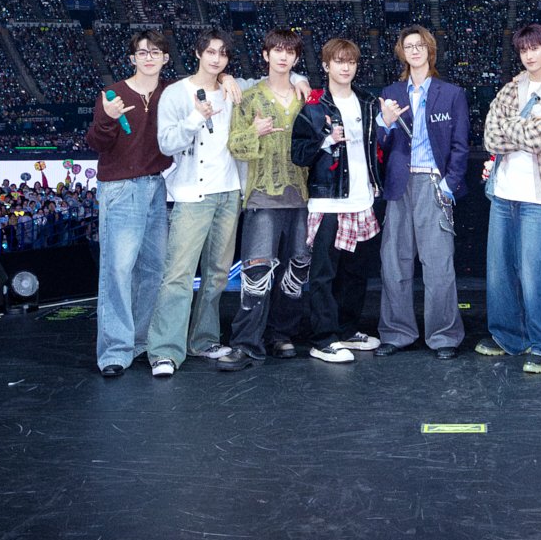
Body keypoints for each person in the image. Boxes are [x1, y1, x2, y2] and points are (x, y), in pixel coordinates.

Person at [477, 23, 541, 374]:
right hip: (504, 193)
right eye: (523, 50)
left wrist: (512, 130)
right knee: (500, 271)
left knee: (538, 274)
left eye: (535, 48)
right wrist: (525, 131)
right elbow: (490, 135)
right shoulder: (511, 89)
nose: (529, 55)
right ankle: (510, 337)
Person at [210, 31, 313, 370]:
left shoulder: (306, 98)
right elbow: (235, 145)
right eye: (277, 50)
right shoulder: (250, 97)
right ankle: (245, 343)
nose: (283, 57)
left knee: (296, 270)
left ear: (296, 59)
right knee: (256, 272)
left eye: (289, 52)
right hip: (262, 198)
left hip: (301, 198)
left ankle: (281, 334)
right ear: (266, 55)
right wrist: (255, 131)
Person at [148, 29, 242, 377]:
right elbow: (166, 143)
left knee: (217, 275)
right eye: (211, 52)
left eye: (223, 54)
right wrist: (195, 117)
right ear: (198, 53)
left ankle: (204, 340)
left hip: (228, 193)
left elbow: (284, 77)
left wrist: (229, 79)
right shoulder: (176, 93)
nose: (216, 59)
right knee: (179, 275)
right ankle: (164, 351)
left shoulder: (233, 89)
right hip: (191, 196)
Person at [371, 26, 470, 358]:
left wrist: (448, 184)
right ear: (401, 52)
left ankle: (444, 336)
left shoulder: (451, 93)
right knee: (394, 264)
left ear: (430, 50)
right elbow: (379, 146)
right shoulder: (391, 93)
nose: (414, 50)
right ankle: (397, 333)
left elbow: (460, 146)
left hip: (432, 184)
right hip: (399, 185)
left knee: (438, 264)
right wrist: (384, 123)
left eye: (420, 45)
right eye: (408, 46)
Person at [81, 29, 174, 378]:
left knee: (153, 270)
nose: (149, 57)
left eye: (155, 52)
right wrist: (107, 117)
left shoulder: (170, 93)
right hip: (120, 189)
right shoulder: (113, 94)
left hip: (155, 186)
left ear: (165, 58)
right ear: (132, 58)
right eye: (142, 52)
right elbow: (96, 143)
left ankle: (141, 341)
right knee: (118, 271)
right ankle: (115, 351)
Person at [290, 38, 379, 363]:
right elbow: (298, 154)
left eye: (351, 62)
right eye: (339, 61)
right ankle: (323, 338)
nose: (346, 67)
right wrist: (326, 140)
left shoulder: (368, 102)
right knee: (324, 274)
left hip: (361, 199)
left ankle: (346, 330)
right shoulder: (314, 107)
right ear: (326, 65)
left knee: (355, 274)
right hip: (328, 201)